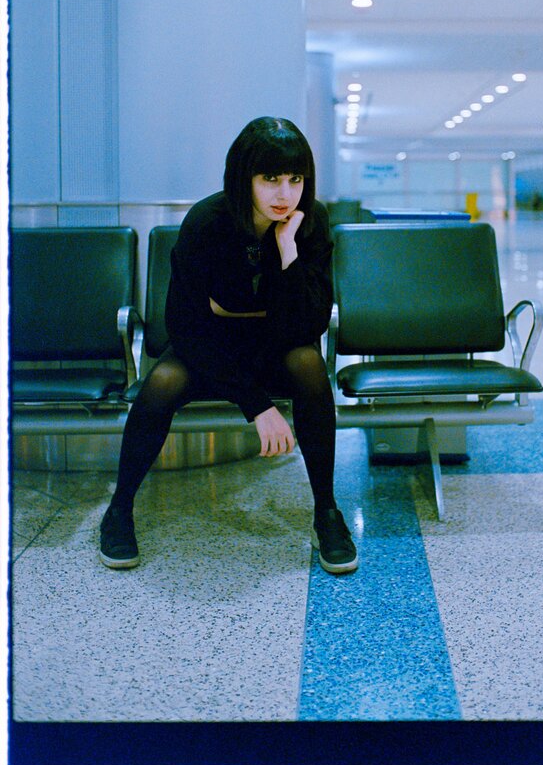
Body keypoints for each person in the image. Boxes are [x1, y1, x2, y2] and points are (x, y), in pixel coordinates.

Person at [99, 117, 358, 575]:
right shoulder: (208, 222)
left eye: (295, 179)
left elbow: (307, 324)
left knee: (308, 364)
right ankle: (119, 509)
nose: (285, 194)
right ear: (244, 177)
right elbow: (186, 327)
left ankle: (327, 512)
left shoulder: (310, 222)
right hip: (209, 349)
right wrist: (258, 405)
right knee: (163, 380)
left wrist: (287, 251)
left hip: (276, 346)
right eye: (270, 178)